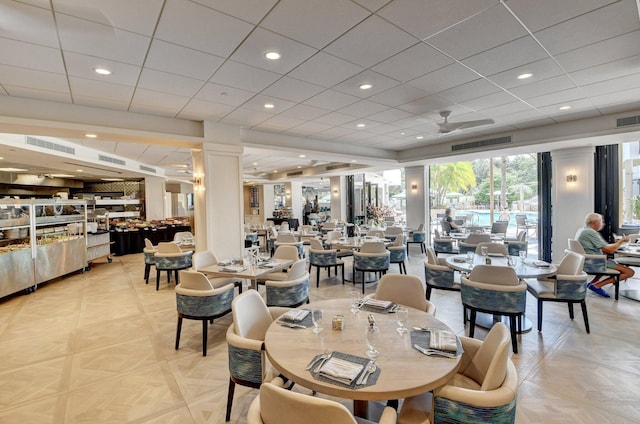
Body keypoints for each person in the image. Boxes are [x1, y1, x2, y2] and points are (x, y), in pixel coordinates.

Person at [575, 212, 634, 298]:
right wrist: (621, 241)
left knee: (615, 263)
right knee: (630, 272)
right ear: (595, 222)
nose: (603, 224)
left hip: (589, 260)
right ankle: (597, 285)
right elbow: (609, 250)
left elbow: (605, 247)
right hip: (595, 262)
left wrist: (616, 244)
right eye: (601, 221)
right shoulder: (591, 233)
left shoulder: (583, 230)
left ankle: (592, 283)